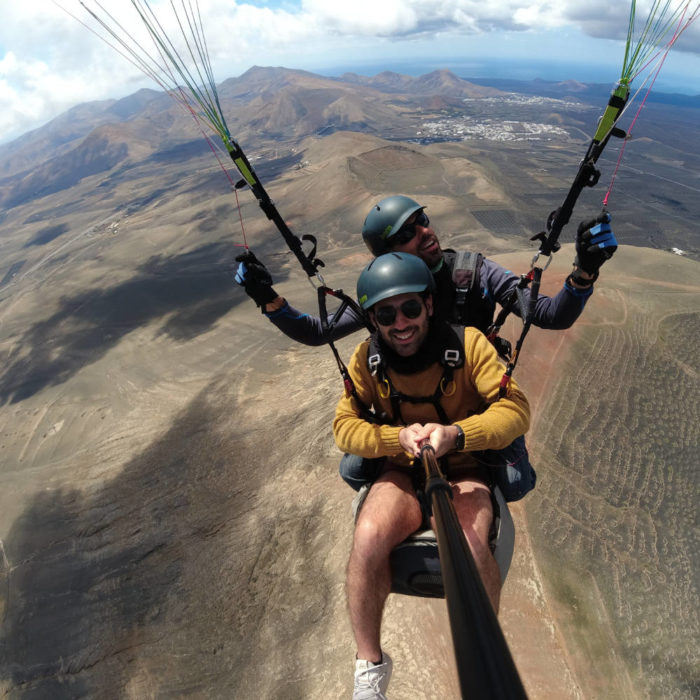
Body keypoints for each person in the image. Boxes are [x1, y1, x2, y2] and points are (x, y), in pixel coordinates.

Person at [235, 195, 616, 492]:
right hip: (406, 409)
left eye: (423, 221)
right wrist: (269, 300)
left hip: (472, 403)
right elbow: (320, 333)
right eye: (408, 234)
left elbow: (547, 314)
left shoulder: (474, 270)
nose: (426, 232)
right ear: (388, 254)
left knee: (516, 484)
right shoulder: (388, 296)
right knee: (352, 469)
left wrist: (584, 273)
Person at [333, 252, 530, 698]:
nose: (400, 322)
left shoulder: (470, 346)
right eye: (386, 313)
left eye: (409, 309)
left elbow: (516, 409)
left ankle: (481, 655)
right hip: (401, 469)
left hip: (461, 466)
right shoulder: (367, 360)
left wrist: (457, 435)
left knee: (471, 543)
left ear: (429, 305)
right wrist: (395, 440)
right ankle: (370, 667)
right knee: (367, 538)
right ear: (373, 318)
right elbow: (344, 426)